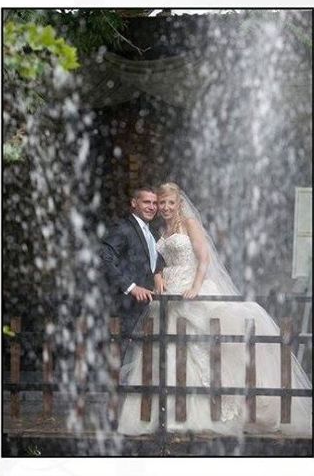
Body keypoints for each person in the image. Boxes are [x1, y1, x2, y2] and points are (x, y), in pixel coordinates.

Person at [117, 182, 312, 436]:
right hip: (169, 292)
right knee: (167, 347)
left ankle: (208, 408)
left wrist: (196, 286)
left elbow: (204, 257)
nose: (164, 207)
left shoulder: (189, 224)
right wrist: (158, 279)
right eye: (161, 202)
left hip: (190, 287)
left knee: (202, 345)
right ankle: (166, 412)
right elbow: (159, 263)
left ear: (179, 203)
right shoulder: (161, 230)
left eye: (169, 203)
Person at [100, 186, 165, 357]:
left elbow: (152, 262)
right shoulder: (123, 228)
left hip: (145, 310)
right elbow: (103, 259)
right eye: (147, 202)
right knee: (120, 362)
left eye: (154, 203)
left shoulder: (152, 233)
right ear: (134, 203)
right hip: (124, 307)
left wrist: (158, 273)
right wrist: (131, 287)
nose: (152, 207)